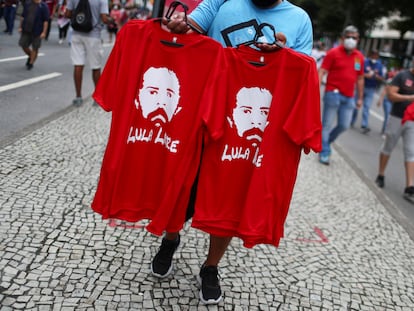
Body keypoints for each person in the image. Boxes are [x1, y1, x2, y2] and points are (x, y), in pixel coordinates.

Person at [151, 0, 314, 305]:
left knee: (230, 196)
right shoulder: (221, 1)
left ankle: (210, 267)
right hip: (201, 111)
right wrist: (176, 23)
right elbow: (189, 27)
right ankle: (170, 239)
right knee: (180, 186)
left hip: (249, 128)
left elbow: (301, 77)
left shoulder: (299, 20)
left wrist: (284, 53)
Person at [318, 25, 365, 165]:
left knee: (344, 125)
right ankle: (325, 151)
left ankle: (325, 142)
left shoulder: (359, 57)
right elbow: (322, 71)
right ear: (342, 38)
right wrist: (315, 88)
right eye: (348, 36)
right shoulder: (333, 53)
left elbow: (360, 78)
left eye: (354, 37)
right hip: (333, 93)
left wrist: (360, 97)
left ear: (358, 40)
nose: (351, 40)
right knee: (326, 124)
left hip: (349, 96)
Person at [375, 58, 414, 203]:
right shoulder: (402, 76)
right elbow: (391, 95)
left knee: (411, 152)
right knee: (388, 147)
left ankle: (410, 185)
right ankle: (381, 174)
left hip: (412, 121)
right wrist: (409, 97)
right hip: (397, 117)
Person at [65, 0, 110, 106]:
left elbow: (67, 14)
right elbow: (104, 18)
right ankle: (97, 98)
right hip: (93, 35)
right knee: (96, 67)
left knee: (78, 65)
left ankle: (78, 97)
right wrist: (110, 20)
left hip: (76, 34)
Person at [351, 49, 385, 133]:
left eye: (376, 55)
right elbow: (356, 71)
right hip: (361, 87)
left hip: (371, 88)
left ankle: (364, 124)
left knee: (366, 107)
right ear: (370, 55)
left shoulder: (380, 65)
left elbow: (382, 77)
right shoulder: (364, 62)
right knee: (356, 105)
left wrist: (376, 76)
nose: (374, 56)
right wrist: (366, 75)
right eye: (373, 54)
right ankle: (351, 120)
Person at [18, 0, 49, 70]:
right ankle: (31, 55)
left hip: (37, 30)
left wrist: (44, 32)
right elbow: (23, 16)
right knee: (23, 45)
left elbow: (46, 21)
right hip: (26, 28)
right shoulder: (28, 3)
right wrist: (20, 27)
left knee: (35, 47)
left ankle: (31, 63)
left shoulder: (43, 6)